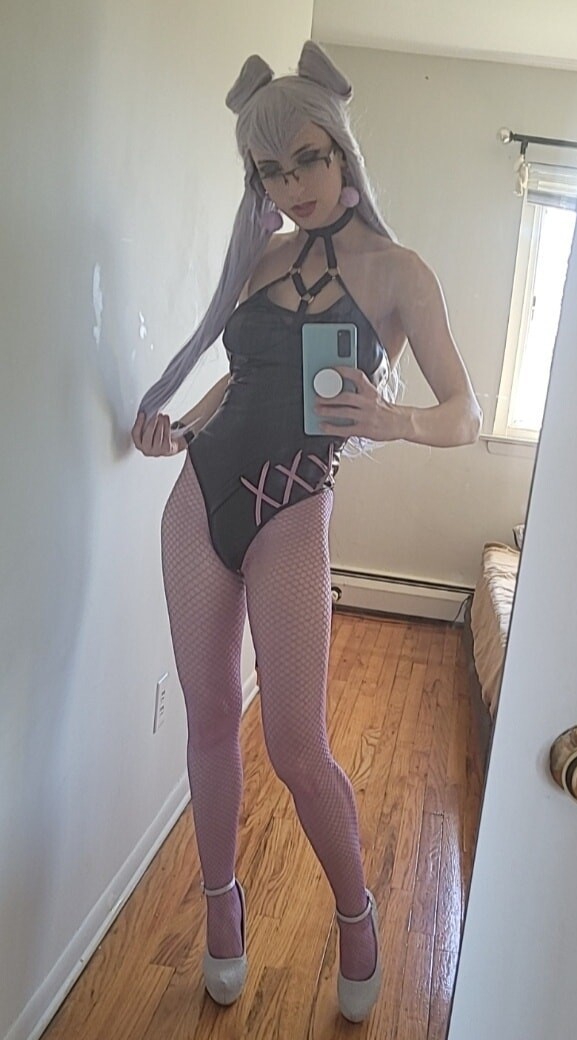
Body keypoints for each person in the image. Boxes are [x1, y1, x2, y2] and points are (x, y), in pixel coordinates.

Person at [131, 40, 481, 1022]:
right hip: (199, 496)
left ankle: (355, 912)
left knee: (295, 745)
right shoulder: (262, 257)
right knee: (208, 718)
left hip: (294, 507)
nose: (293, 187)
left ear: (342, 148)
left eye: (308, 159)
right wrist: (176, 429)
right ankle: (220, 905)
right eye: (271, 171)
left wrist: (397, 419)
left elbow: (467, 412)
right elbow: (236, 381)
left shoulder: (399, 272)